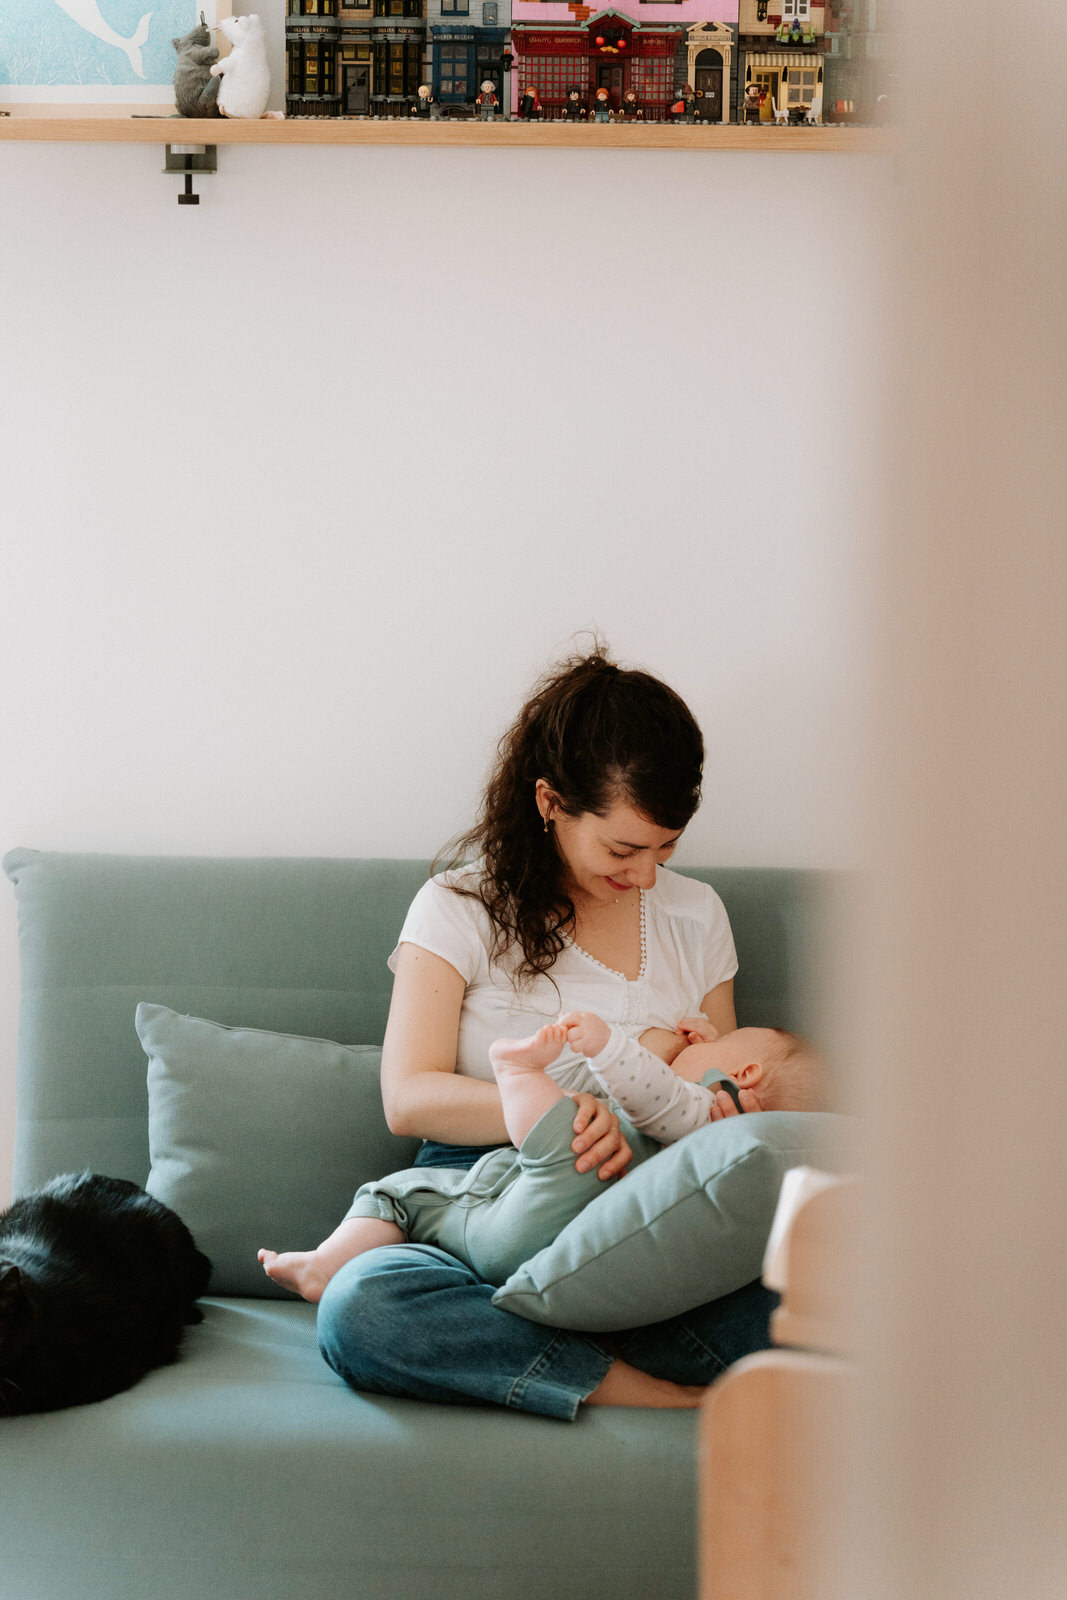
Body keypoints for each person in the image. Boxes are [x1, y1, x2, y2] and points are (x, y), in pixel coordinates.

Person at [314, 646, 781, 1419]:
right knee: (364, 1307)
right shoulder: (457, 905)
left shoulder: (696, 916)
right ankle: (651, 1391)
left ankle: (532, 1354)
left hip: (640, 1220)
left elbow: (709, 1083)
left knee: (829, 1297)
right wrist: (564, 1120)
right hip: (478, 1207)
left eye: (665, 848)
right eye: (623, 848)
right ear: (549, 801)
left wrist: (723, 1112)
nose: (646, 876)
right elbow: (409, 1096)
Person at [259, 1010, 830, 1300]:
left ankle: (325, 1262)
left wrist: (604, 1046)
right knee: (368, 1303)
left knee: (397, 1192)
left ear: (744, 1072)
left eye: (721, 1043)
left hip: (534, 1200)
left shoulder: (700, 1106)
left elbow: (652, 1090)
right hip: (584, 1253)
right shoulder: (731, 1153)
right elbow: (406, 1102)